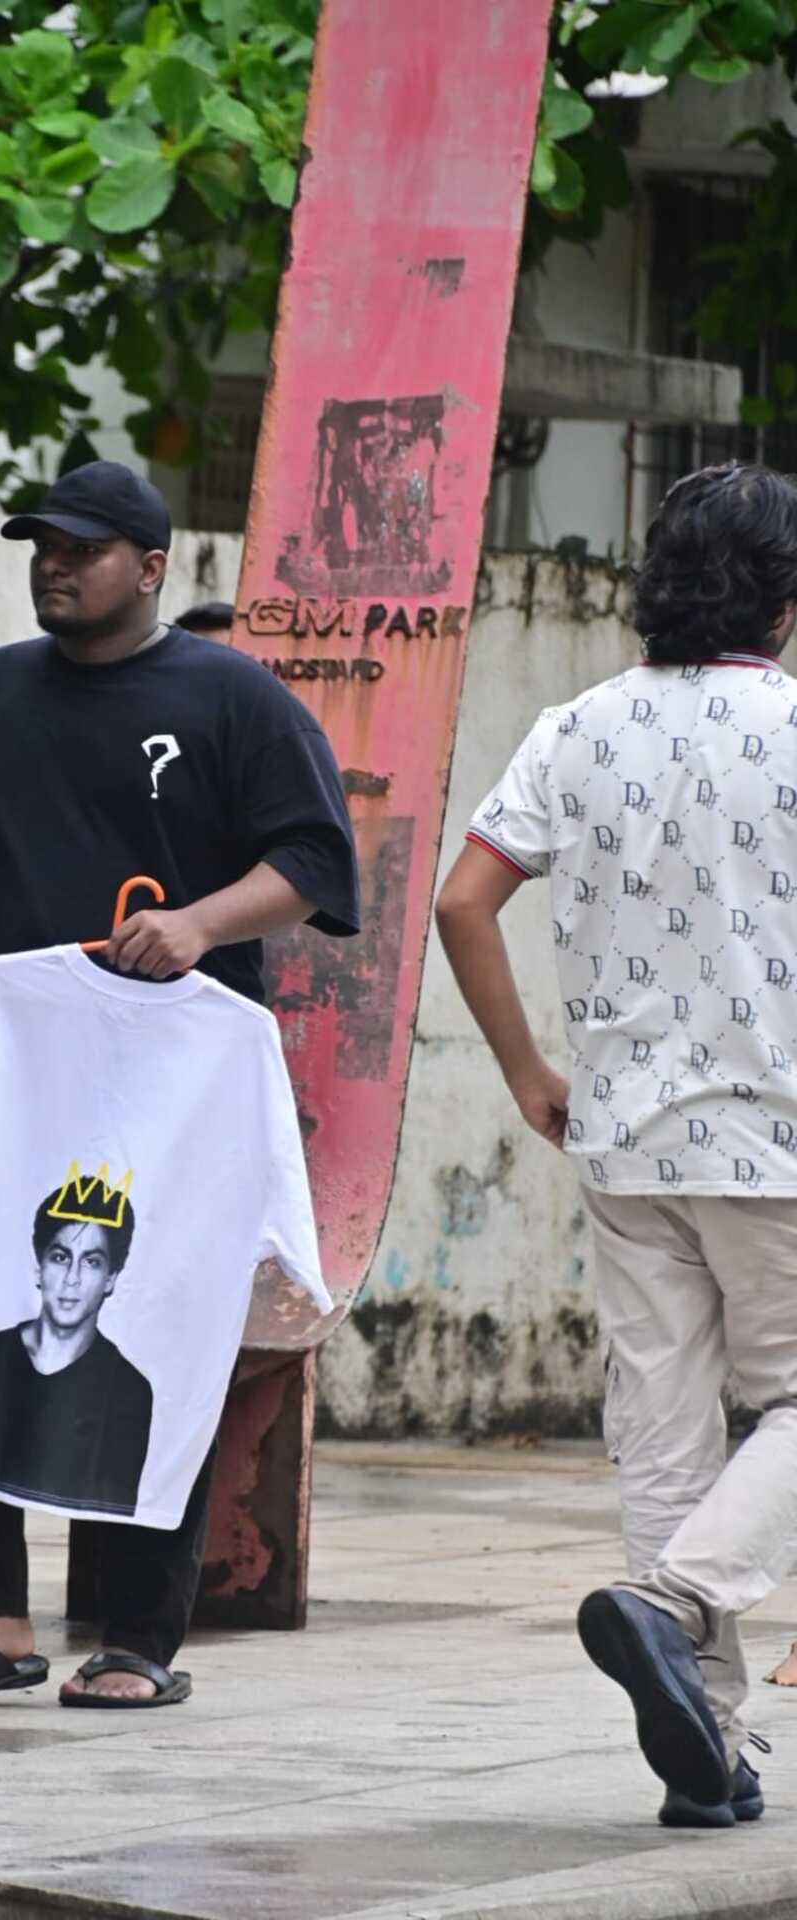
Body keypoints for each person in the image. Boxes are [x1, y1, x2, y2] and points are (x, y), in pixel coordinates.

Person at [0, 458, 359, 1706]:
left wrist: (200, 924)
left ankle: (139, 1639)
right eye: (41, 544)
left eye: (82, 548)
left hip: (169, 1097)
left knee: (155, 1328)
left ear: (148, 568)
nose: (54, 564)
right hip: (3, 1076)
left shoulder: (232, 700)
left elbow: (312, 861)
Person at [434, 461, 797, 1828]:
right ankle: (676, 1602)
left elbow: (467, 902)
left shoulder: (576, 728)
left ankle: (708, 1747)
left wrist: (530, 1066)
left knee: (664, 1441)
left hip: (625, 1143)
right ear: (785, 595)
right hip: (776, 1140)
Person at [0, 1179, 152, 1515]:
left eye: (92, 1261)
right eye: (61, 1257)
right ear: (39, 1267)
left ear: (111, 1279)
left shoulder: (128, 1390)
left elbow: (118, 1515)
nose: (72, 1278)